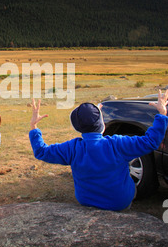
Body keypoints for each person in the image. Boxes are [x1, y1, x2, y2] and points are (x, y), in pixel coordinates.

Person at [29, 90, 168, 212]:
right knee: (131, 190)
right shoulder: (118, 144)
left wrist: (34, 126)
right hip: (119, 203)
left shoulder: (72, 148)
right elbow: (151, 141)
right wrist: (162, 114)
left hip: (86, 201)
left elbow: (41, 151)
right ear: (102, 124)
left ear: (78, 128)